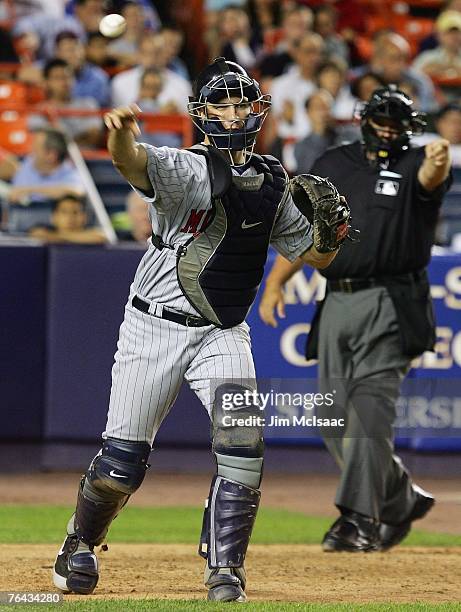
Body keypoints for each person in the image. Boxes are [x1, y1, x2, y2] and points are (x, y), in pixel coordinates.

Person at [51, 57, 340, 602]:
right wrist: (119, 137)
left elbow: (316, 256)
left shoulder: (274, 180)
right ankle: (80, 543)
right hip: (153, 326)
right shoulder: (185, 168)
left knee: (244, 445)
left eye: (240, 101)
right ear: (201, 112)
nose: (232, 112)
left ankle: (225, 570)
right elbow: (132, 161)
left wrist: (333, 235)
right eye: (221, 102)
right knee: (120, 467)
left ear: (256, 108)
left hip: (224, 331)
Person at [259, 85, 452, 552]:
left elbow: (431, 176)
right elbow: (309, 232)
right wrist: (275, 282)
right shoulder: (332, 164)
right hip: (336, 300)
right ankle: (401, 496)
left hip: (392, 301)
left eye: (396, 121)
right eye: (380, 118)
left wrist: (439, 159)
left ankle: (357, 519)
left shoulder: (415, 162)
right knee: (332, 420)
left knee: (368, 414)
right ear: (364, 118)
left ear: (410, 128)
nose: (387, 127)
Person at [29, 59, 103, 148]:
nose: (65, 81)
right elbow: (45, 144)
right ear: (46, 82)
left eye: (68, 76)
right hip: (55, 160)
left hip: (90, 158)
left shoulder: (89, 104)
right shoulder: (38, 110)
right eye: (58, 77)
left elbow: (94, 136)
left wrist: (64, 144)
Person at [8, 128, 83, 204]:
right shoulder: (26, 163)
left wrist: (29, 190)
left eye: (36, 147)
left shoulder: (70, 172)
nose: (31, 149)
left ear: (51, 155)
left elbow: (77, 191)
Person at [28, 194, 107, 243]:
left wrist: (56, 237)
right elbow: (36, 234)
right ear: (54, 217)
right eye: (64, 212)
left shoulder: (93, 234)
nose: (70, 217)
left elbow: (100, 237)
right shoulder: (43, 230)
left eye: (75, 212)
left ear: (84, 217)